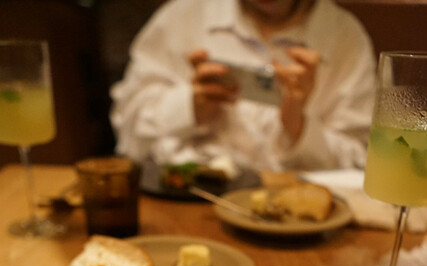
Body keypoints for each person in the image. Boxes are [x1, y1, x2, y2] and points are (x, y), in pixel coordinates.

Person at [110, 0, 377, 172]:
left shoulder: (345, 37)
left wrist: (298, 126)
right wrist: (190, 107)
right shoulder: (183, 16)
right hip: (187, 203)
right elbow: (126, 134)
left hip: (300, 219)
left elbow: (363, 164)